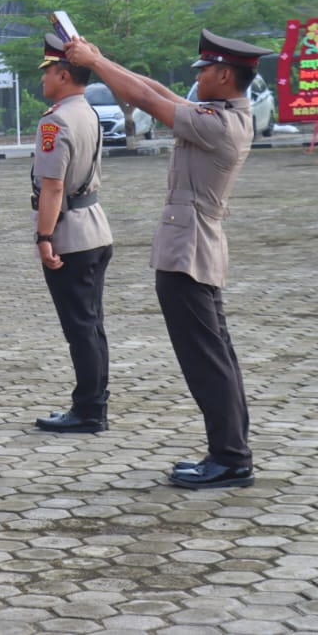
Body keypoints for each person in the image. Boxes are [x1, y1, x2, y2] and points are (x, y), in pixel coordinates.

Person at [66, 28, 270, 490]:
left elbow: (145, 97)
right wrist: (100, 57)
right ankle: (230, 453)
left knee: (207, 360)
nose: (197, 78)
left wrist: (94, 61)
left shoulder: (219, 123)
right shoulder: (218, 113)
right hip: (194, 249)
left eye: (203, 70)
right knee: (216, 356)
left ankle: (230, 458)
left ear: (223, 73)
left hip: (189, 255)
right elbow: (152, 90)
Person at [30, 34, 113, 434]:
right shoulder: (89, 112)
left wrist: (44, 237)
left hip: (70, 235)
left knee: (80, 327)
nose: (43, 78)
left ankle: (89, 410)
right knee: (92, 323)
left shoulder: (55, 121)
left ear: (64, 74)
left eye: (47, 71)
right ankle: (94, 402)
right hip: (95, 227)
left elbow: (52, 187)